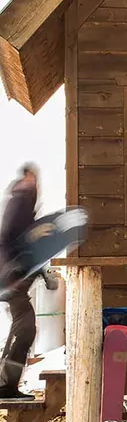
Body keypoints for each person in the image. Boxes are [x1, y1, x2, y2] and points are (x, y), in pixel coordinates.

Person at [0, 164, 41, 399]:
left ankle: (7, 384)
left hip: (14, 277)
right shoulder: (20, 200)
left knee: (24, 328)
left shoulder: (24, 201)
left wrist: (41, 272)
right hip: (11, 279)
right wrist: (12, 270)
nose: (35, 183)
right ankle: (5, 385)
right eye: (31, 179)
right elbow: (6, 237)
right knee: (24, 329)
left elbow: (29, 244)